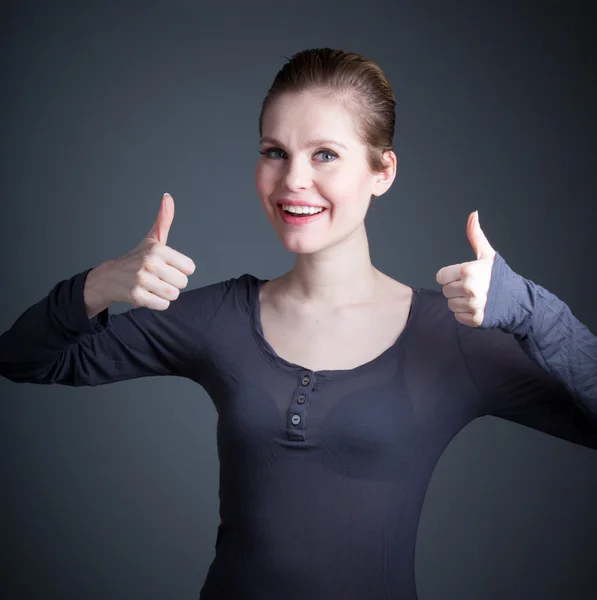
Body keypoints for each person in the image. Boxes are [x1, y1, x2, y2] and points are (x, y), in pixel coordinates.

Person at [1, 47, 596, 600]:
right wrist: (101, 284)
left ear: (382, 171)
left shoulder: (452, 337)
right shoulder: (220, 318)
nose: (292, 181)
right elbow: (24, 358)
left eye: (325, 155)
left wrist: (535, 311)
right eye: (274, 152)